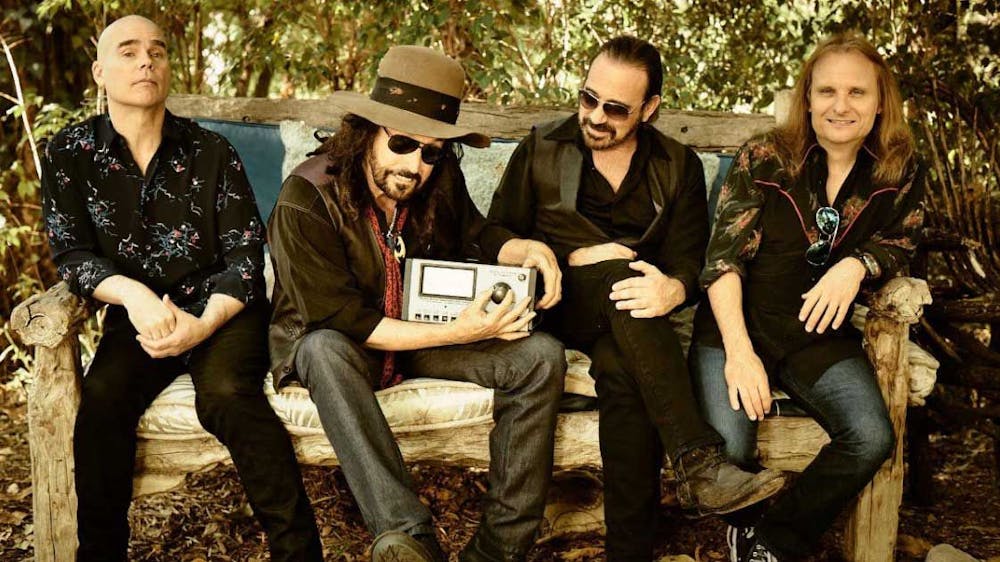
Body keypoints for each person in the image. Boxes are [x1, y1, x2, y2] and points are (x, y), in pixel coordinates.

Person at [487, 36, 786, 561]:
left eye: (616, 108)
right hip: (557, 305)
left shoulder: (677, 164)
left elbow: (691, 261)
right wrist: (556, 253)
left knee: (623, 370)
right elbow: (492, 234)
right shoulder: (542, 147)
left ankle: (630, 552)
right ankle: (698, 461)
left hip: (635, 323)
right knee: (619, 273)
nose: (595, 116)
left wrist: (675, 288)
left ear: (649, 109)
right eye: (588, 99)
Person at [39, 15, 323, 562]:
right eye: (128, 52)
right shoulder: (68, 153)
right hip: (140, 318)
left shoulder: (211, 150)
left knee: (228, 397)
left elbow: (246, 256)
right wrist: (136, 297)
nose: (146, 61)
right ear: (100, 72)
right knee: (102, 404)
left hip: (224, 312)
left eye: (157, 51)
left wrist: (202, 324)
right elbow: (72, 253)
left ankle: (298, 553)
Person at [267, 45, 567, 562]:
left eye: (431, 152)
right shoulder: (307, 198)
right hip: (345, 346)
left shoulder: (436, 177)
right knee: (322, 349)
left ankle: (499, 549)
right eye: (402, 143)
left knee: (540, 356)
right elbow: (343, 320)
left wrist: (524, 249)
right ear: (366, 132)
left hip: (420, 337)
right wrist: (462, 332)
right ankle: (409, 537)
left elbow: (476, 234)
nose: (415, 165)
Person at [689, 31, 926, 561]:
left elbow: (903, 239)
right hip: (737, 325)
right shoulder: (765, 157)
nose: (841, 106)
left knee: (870, 437)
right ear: (808, 98)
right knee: (731, 450)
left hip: (816, 334)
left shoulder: (899, 168)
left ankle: (773, 542)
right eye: (827, 91)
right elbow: (723, 261)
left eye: (857, 92)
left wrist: (856, 265)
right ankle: (744, 528)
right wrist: (739, 353)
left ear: (880, 101)